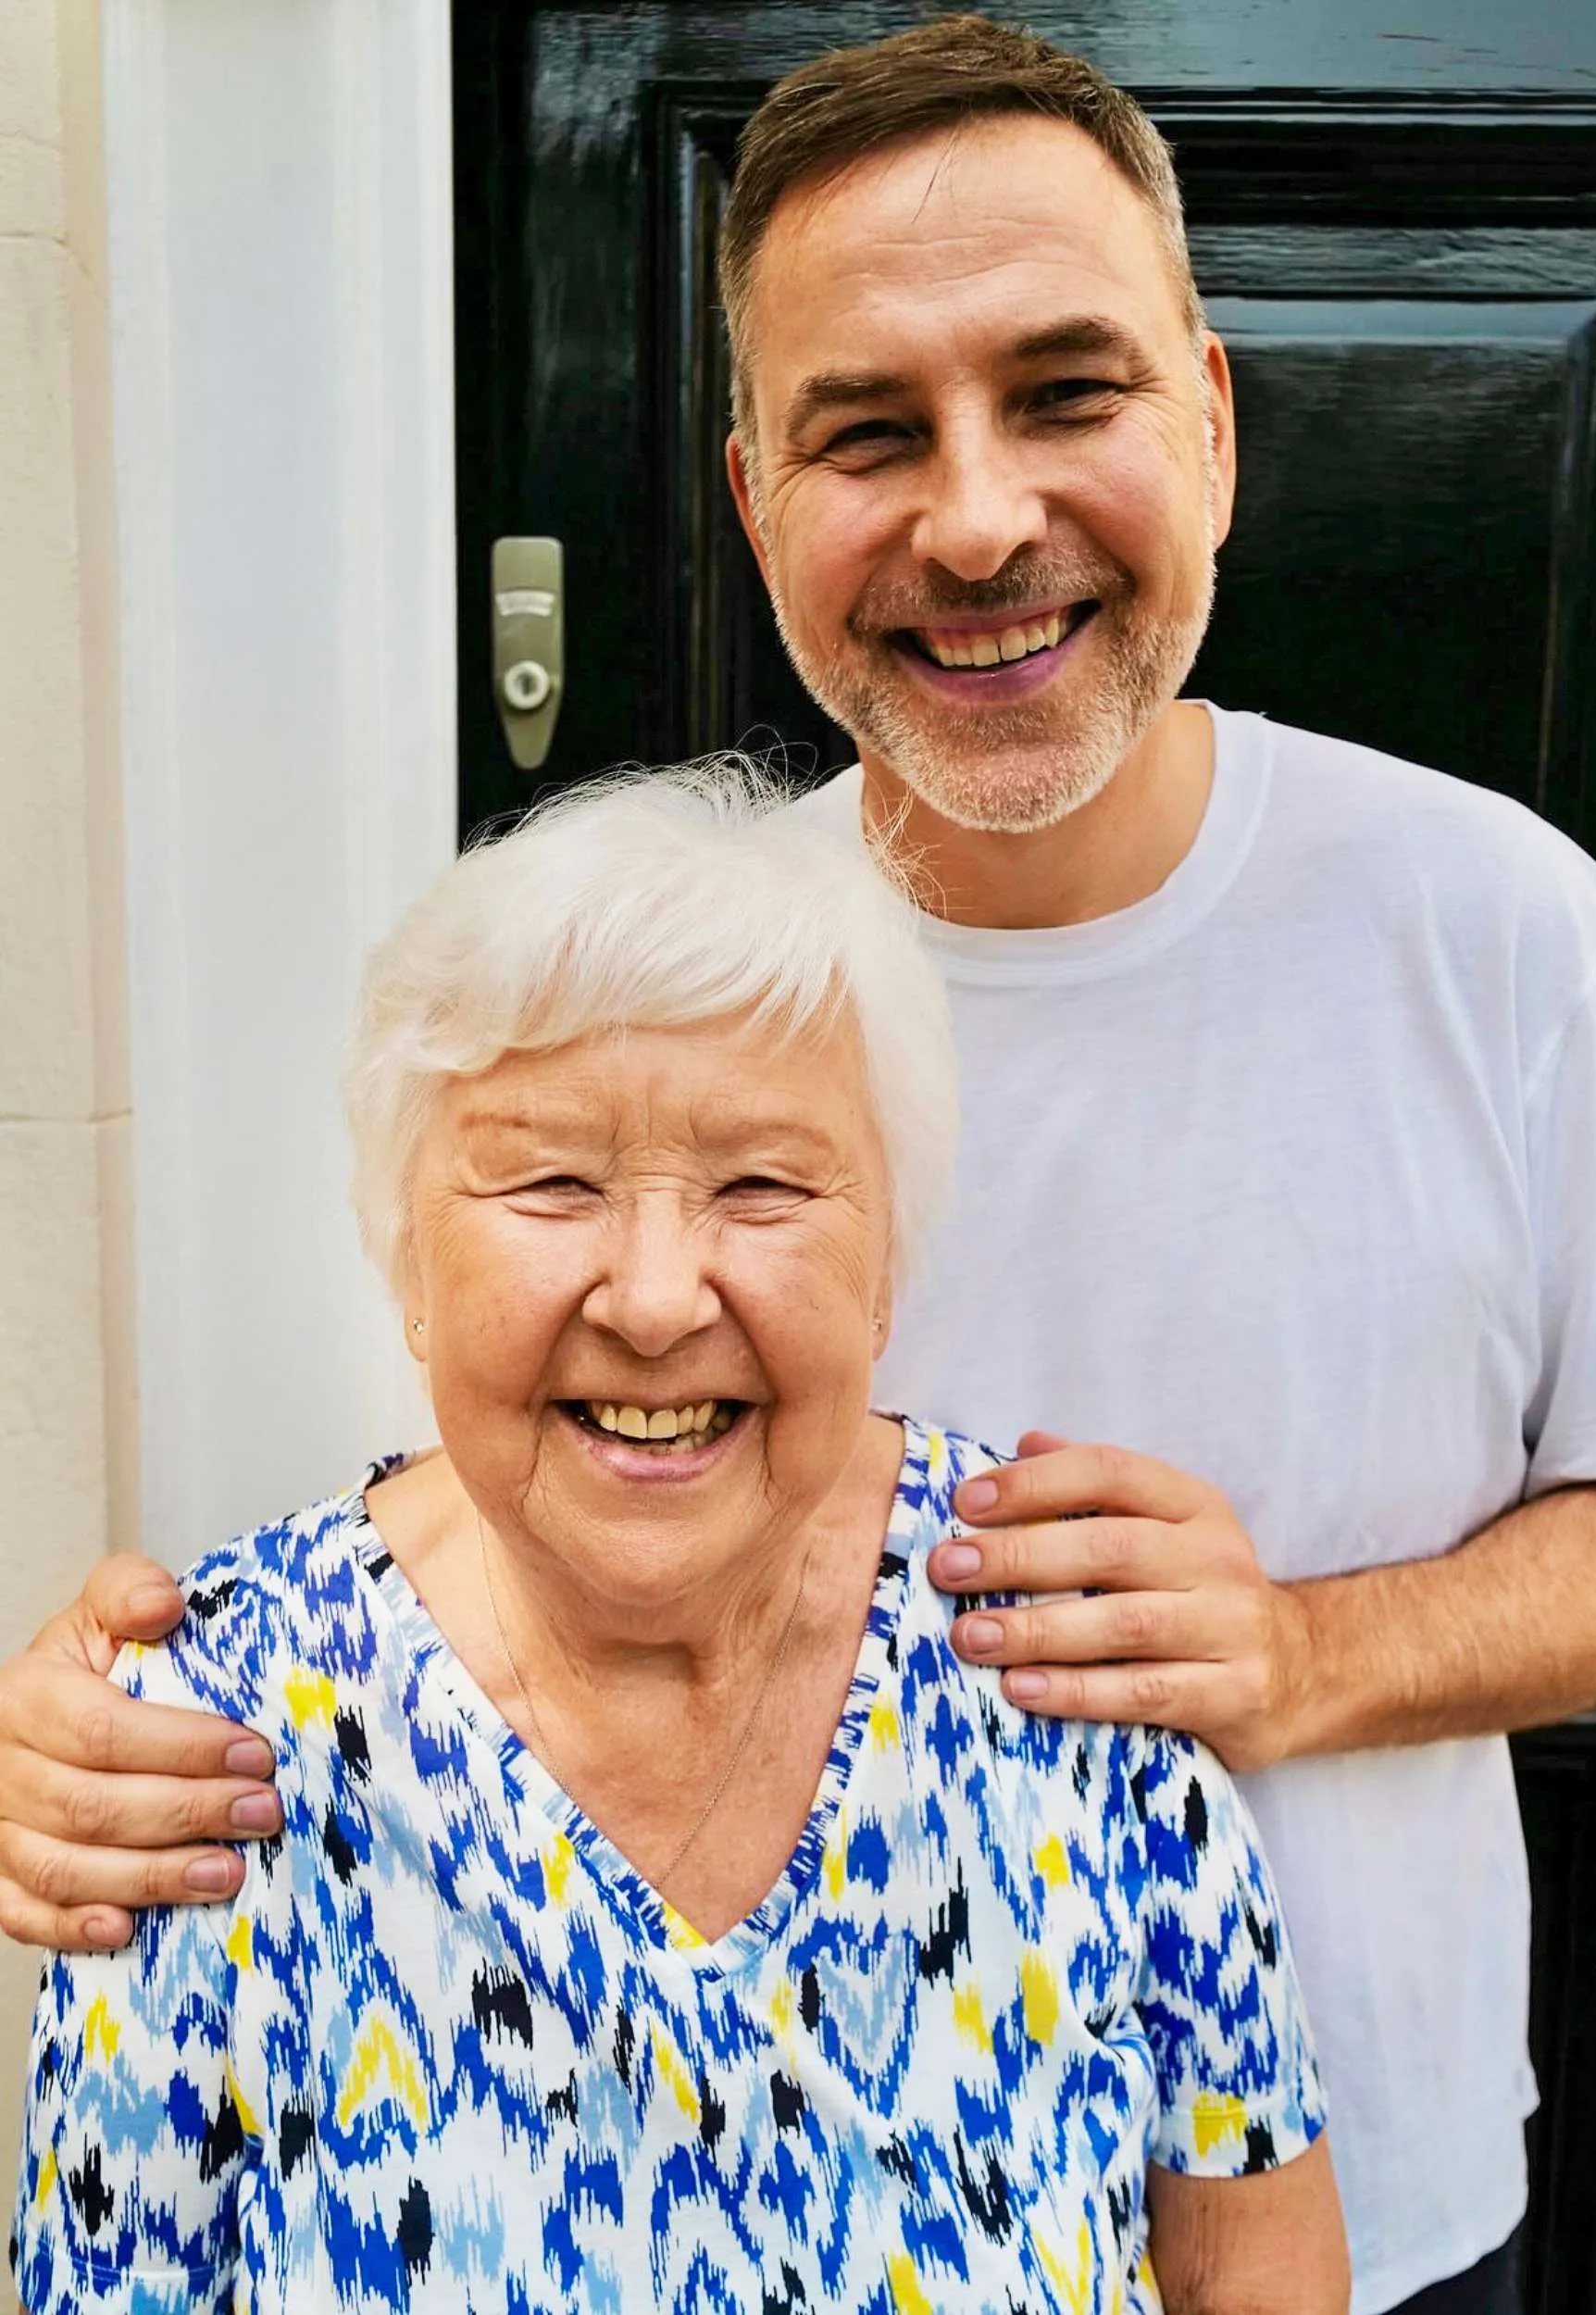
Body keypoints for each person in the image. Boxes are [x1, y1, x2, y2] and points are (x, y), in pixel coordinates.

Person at [3, 17, 1596, 2314]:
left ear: (1212, 422)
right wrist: (130, 1720)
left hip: (1380, 2178)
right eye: (867, 431)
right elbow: (494, 1493)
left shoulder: (1508, 930)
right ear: (756, 502)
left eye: (1066, 393)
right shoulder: (675, 995)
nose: (974, 519)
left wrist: (1299, 1652)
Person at [8, 770, 1342, 2313]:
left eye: (763, 1185)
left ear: (885, 1266)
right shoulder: (205, 1751)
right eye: (553, 1182)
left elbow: (1256, 2259)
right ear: (408, 1260)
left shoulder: (1060, 1636)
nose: (654, 1298)